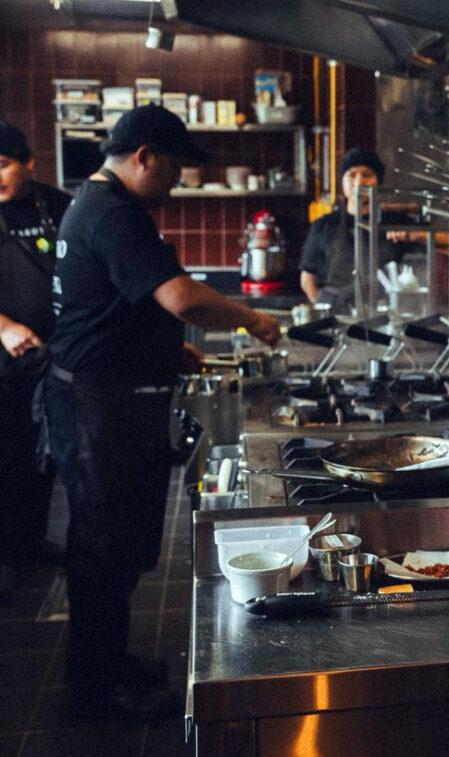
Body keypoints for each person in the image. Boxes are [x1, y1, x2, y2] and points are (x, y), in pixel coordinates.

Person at [45, 104, 280, 721]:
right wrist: (252, 318)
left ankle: (108, 664)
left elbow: (109, 304)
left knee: (113, 548)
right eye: (173, 168)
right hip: (99, 409)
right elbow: (180, 297)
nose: (176, 182)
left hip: (99, 400)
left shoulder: (93, 204)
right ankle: (95, 692)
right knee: (103, 552)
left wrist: (162, 349)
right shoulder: (114, 213)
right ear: (144, 156)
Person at [0, 121, 71, 597]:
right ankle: (7, 558)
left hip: (50, 355)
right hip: (3, 358)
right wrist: (3, 325)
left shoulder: (59, 205)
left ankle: (31, 541)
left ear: (29, 162)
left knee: (41, 454)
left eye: (3, 164)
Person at [299, 147, 416, 310]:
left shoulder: (395, 222)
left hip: (382, 311)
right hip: (334, 310)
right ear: (342, 181)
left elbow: (441, 241)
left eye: (367, 175)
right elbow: (307, 279)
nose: (359, 182)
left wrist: (415, 235)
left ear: (378, 182)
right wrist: (324, 309)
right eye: (352, 174)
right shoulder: (323, 224)